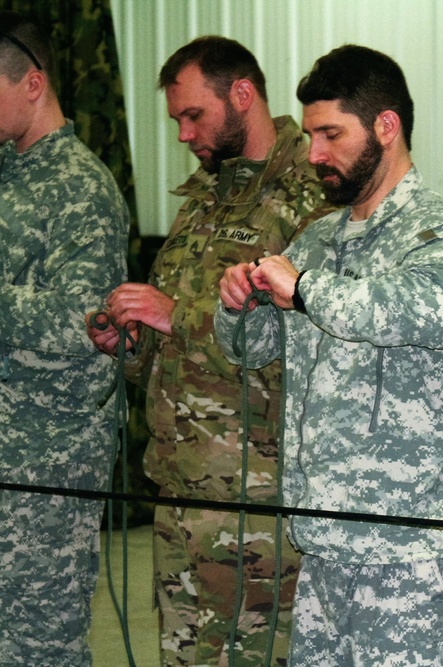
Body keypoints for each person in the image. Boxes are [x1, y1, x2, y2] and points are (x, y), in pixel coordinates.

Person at [215, 44, 443, 666]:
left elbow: (431, 309)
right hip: (325, 539)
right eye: (310, 134)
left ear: (386, 128)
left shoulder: (437, 230)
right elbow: (252, 350)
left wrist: (306, 289)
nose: (314, 154)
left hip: (409, 547)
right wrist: (240, 305)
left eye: (331, 134)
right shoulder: (317, 238)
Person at [86, 36, 332, 666]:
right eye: (176, 120)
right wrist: (132, 343)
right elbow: (178, 344)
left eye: (193, 115)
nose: (183, 134)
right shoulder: (203, 200)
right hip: (178, 484)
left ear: (242, 95)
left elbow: (311, 342)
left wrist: (175, 316)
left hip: (256, 495)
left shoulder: (311, 197)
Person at [0, 12, 128, 665]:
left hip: (46, 466)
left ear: (33, 83)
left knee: (37, 646)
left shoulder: (82, 187)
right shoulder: (3, 171)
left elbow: (85, 323)